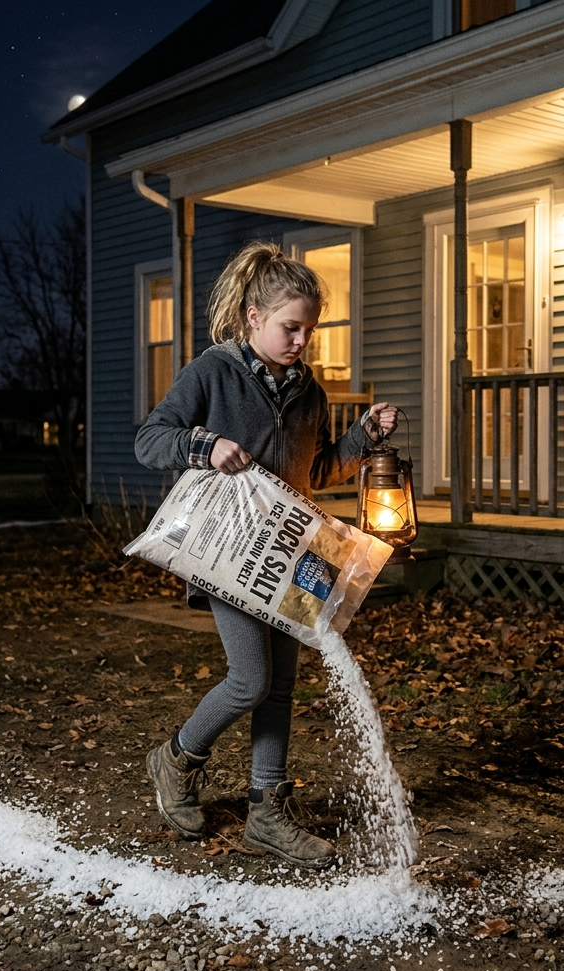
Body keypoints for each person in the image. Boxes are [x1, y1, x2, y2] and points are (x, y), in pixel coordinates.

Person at [134, 240, 397, 869]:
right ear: (254, 316)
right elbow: (150, 440)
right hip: (229, 556)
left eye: (309, 329)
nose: (301, 340)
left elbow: (318, 470)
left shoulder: (310, 393)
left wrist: (363, 438)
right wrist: (205, 445)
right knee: (250, 680)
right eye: (290, 327)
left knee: (279, 687)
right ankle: (176, 758)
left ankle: (267, 813)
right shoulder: (211, 373)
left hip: (288, 557)